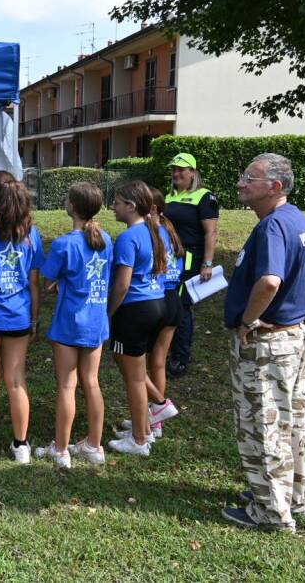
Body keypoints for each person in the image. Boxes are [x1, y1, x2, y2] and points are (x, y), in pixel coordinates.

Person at [221, 153, 305, 533]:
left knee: (262, 423)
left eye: (249, 178)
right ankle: (290, 495)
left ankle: (270, 512)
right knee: (290, 422)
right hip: (292, 338)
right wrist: (291, 309)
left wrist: (250, 320)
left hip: (267, 343)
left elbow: (269, 281)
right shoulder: (299, 220)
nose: (241, 183)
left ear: (275, 187)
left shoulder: (273, 227)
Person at [36, 182, 111, 468]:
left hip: (69, 323)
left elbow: (48, 282)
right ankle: (94, 445)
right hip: (96, 322)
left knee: (67, 385)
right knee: (92, 383)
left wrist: (55, 285)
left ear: (72, 206)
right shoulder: (106, 239)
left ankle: (61, 449)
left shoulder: (63, 244)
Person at [0, 171, 43, 466]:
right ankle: (21, 446)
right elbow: (34, 282)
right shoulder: (31, 233)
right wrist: (34, 318)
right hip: (19, 315)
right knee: (16, 381)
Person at [106, 180, 168, 456]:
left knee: (133, 377)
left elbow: (122, 284)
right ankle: (143, 427)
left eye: (117, 203)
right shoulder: (156, 231)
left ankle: (140, 439)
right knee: (137, 371)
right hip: (156, 304)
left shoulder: (128, 238)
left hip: (134, 309)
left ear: (131, 207)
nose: (112, 207)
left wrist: (109, 313)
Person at [121, 187, 184, 437]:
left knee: (134, 362)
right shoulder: (168, 232)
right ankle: (153, 420)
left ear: (153, 209)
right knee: (156, 361)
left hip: (156, 297)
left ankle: (157, 408)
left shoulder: (147, 233)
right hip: (171, 299)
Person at [163, 153, 219, 378]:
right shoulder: (171, 195)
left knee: (181, 308)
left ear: (193, 172)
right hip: (168, 259)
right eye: (174, 169)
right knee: (168, 304)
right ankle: (165, 349)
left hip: (189, 260)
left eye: (182, 170)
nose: (176, 173)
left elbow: (211, 233)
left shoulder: (205, 197)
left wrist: (207, 263)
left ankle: (180, 358)